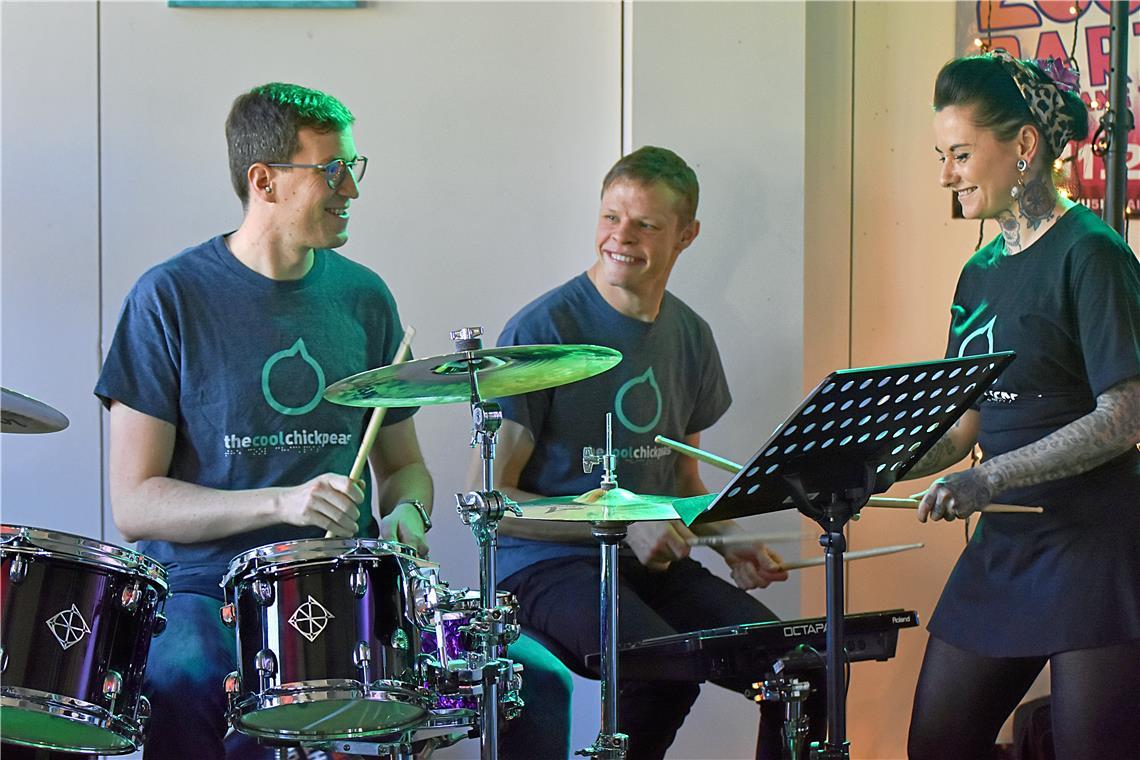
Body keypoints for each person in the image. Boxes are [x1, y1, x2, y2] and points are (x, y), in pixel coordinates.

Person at [95, 82, 569, 759]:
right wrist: (283, 501)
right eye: (332, 170)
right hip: (205, 588)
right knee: (187, 679)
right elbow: (135, 503)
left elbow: (403, 468)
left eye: (355, 167)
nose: (351, 189)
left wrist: (408, 518)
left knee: (534, 679)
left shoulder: (364, 298)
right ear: (265, 181)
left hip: (350, 585)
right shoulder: (168, 298)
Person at [480, 146, 823, 759]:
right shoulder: (541, 332)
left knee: (803, 671)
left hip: (650, 564)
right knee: (666, 668)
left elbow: (684, 480)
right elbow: (496, 504)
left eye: (646, 224)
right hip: (544, 567)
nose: (621, 236)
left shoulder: (690, 336)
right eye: (611, 217)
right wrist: (620, 521)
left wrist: (728, 536)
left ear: (686, 236)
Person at [906, 51, 1140, 760]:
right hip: (1006, 542)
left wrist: (990, 478)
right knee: (938, 746)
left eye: (961, 154)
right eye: (942, 156)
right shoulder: (976, 275)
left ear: (1025, 148)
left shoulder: (1092, 254)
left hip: (1093, 544)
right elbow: (964, 422)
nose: (947, 174)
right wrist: (872, 464)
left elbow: (1124, 417)